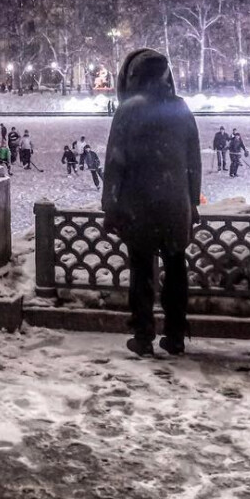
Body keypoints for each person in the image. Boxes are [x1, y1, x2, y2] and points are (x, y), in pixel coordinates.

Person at [102, 48, 201, 358]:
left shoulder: (128, 110)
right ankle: (175, 335)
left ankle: (143, 334)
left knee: (141, 270)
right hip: (176, 203)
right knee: (175, 268)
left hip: (139, 203)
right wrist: (191, 200)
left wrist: (110, 205)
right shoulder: (181, 108)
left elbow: (115, 163)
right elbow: (193, 162)